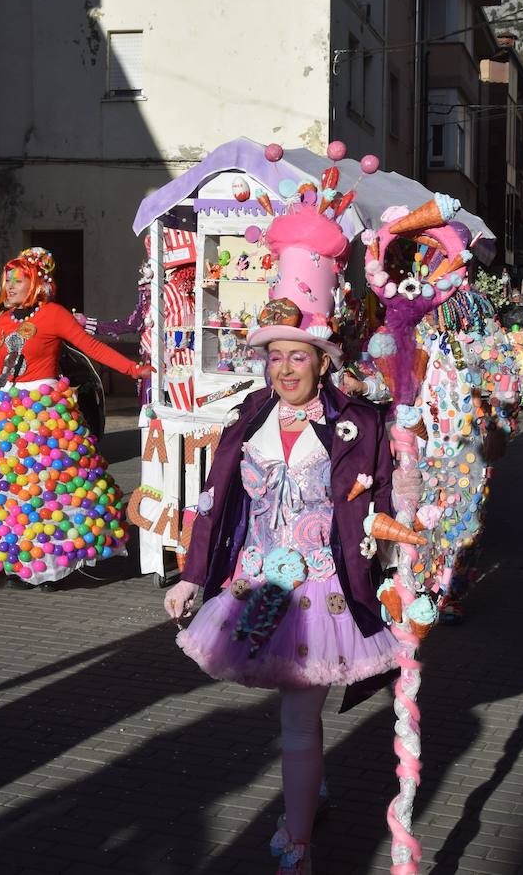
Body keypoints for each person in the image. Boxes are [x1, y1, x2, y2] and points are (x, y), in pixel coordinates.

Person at [164, 206, 398, 875]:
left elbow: (386, 495)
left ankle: (298, 840)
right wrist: (190, 574)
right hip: (253, 584)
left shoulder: (358, 425)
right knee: (295, 722)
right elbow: (215, 501)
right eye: (276, 357)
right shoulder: (248, 420)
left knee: (298, 718)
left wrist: (405, 541)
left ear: (321, 363)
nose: (286, 368)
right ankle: (312, 785)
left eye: (298, 356)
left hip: (323, 591)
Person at [0, 247, 153, 586]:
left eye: (17, 280)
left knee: (50, 493)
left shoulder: (53, 315)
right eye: (7, 281)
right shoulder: (5, 320)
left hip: (45, 414)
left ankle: (50, 567)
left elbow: (90, 346)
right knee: (9, 493)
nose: (10, 286)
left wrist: (131, 369)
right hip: (6, 413)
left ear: (35, 282)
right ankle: (17, 561)